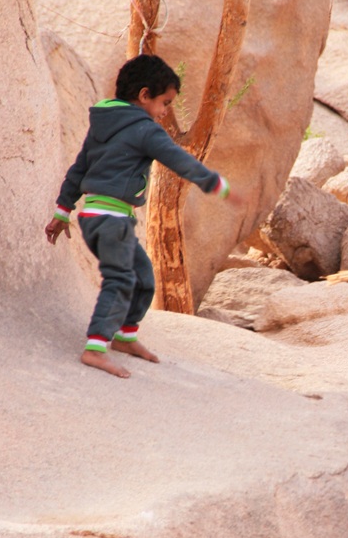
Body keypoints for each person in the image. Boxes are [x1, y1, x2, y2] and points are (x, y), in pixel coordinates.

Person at [46, 54, 232, 379]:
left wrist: (63, 211)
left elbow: (79, 168)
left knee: (143, 277)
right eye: (165, 103)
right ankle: (95, 348)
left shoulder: (103, 125)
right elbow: (177, 158)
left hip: (97, 215)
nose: (165, 112)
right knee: (120, 280)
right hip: (111, 218)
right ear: (144, 95)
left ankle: (125, 337)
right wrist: (214, 183)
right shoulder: (145, 130)